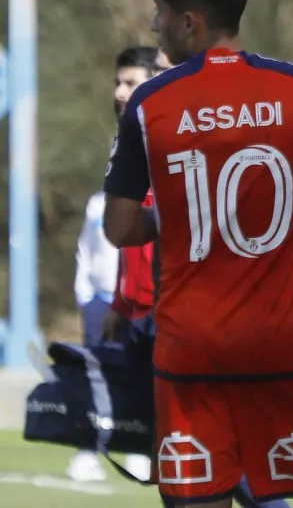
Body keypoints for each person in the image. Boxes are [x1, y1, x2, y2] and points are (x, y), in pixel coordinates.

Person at [103, 0, 293, 508]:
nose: (154, 23)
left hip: (190, 354)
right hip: (285, 349)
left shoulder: (150, 103)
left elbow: (121, 229)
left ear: (189, 22)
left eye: (159, 10)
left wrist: (171, 213)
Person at [66, 45, 168, 485]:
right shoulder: (129, 138)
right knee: (179, 455)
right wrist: (121, 305)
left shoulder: (168, 135)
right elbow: (128, 241)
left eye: (130, 82)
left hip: (172, 313)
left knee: (196, 448)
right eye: (118, 82)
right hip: (140, 310)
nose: (119, 91)